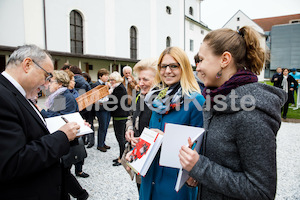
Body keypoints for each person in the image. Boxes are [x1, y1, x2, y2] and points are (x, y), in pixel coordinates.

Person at [179, 26, 287, 200]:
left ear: (225, 59)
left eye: (201, 60)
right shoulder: (214, 100)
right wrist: (198, 174)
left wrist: (200, 167)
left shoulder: (252, 112)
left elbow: (261, 191)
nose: (197, 68)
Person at [0, 44, 80, 199]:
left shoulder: (17, 94)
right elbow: (11, 163)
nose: (46, 83)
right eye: (46, 76)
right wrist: (62, 136)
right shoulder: (4, 97)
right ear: (27, 65)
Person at [128, 47, 205, 199]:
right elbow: (153, 134)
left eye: (173, 66)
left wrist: (167, 139)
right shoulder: (157, 99)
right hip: (149, 175)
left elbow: (200, 145)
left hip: (175, 179)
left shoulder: (196, 100)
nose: (167, 71)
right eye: (163, 66)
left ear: (183, 68)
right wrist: (138, 150)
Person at [38, 70, 89, 198]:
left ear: (59, 83)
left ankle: (80, 194)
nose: (48, 84)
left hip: (67, 139)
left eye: (51, 81)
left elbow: (57, 116)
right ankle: (78, 194)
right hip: (65, 138)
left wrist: (41, 112)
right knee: (63, 171)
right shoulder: (61, 95)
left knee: (63, 171)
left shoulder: (64, 96)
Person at [124, 58, 157, 190]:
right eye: (139, 79)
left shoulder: (164, 102)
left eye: (146, 80)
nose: (141, 83)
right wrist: (130, 129)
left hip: (154, 164)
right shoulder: (139, 96)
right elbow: (131, 116)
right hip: (139, 157)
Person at [106, 71, 130, 166]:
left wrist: (104, 102)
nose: (111, 81)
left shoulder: (119, 89)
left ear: (116, 80)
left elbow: (113, 103)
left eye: (112, 80)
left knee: (120, 138)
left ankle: (122, 158)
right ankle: (121, 156)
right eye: (110, 79)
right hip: (119, 115)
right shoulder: (118, 88)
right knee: (120, 137)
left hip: (120, 116)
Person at [70, 66, 94, 148]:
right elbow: (90, 94)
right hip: (87, 106)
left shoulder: (70, 81)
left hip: (76, 107)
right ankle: (91, 141)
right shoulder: (85, 82)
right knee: (89, 123)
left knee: (79, 124)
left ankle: (82, 142)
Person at [92, 68, 111, 152]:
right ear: (100, 76)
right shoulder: (95, 85)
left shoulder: (107, 84)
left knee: (106, 126)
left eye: (107, 75)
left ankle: (103, 142)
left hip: (108, 107)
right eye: (105, 75)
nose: (107, 77)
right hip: (100, 108)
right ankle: (100, 145)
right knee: (102, 126)